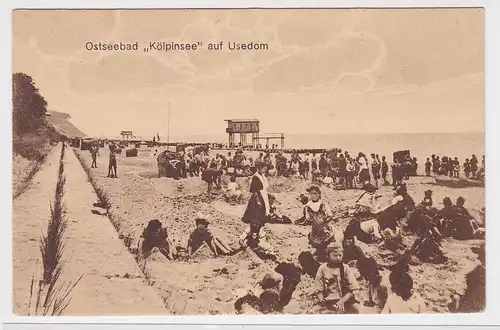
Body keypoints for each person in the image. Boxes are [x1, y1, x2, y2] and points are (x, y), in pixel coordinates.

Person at [314, 242, 361, 314]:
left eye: (340, 255)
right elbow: (318, 289)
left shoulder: (345, 268)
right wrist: (321, 299)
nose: (338, 258)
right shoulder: (322, 268)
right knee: (318, 313)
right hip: (328, 300)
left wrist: (341, 302)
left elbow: (353, 289)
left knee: (356, 310)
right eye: (334, 255)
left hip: (345, 300)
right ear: (328, 255)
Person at [305, 185, 343, 261]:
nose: (313, 195)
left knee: (329, 241)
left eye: (315, 193)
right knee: (316, 243)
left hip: (325, 227)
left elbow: (329, 215)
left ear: (319, 194)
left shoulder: (323, 204)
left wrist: (324, 221)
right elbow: (307, 218)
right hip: (315, 229)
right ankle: (320, 253)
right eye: (311, 194)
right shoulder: (308, 206)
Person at [242, 162, 270, 227]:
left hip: (263, 194)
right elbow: (254, 190)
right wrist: (257, 200)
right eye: (263, 169)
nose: (265, 170)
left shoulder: (262, 176)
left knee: (262, 210)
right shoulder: (256, 177)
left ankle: (260, 221)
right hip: (257, 195)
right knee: (256, 209)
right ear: (259, 169)